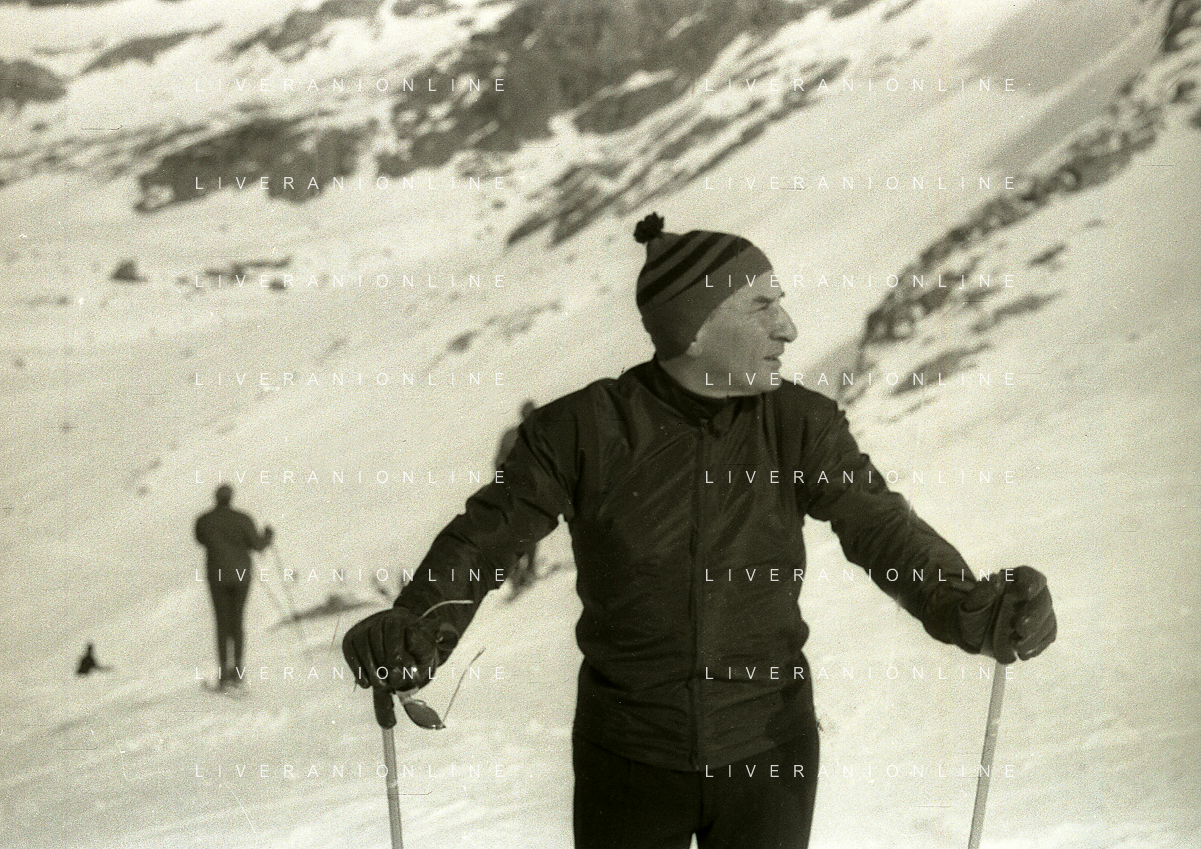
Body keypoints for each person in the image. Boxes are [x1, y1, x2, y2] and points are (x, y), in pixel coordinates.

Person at [342, 213, 1057, 849]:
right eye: (762, 305)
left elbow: (883, 530)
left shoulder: (798, 424)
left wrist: (966, 604)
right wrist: (416, 626)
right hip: (628, 758)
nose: (788, 328)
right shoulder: (582, 430)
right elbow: (484, 540)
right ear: (694, 325)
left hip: (768, 751)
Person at [194, 484, 273, 688]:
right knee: (237, 622)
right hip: (241, 577)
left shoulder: (204, 520)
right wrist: (268, 535)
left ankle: (223, 674)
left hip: (217, 577)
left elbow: (200, 539)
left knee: (221, 623)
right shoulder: (243, 519)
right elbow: (257, 545)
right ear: (231, 498)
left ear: (216, 498)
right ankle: (238, 673)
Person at [494, 399, 540, 596]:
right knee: (520, 533)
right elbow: (499, 463)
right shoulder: (514, 436)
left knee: (529, 531)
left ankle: (526, 571)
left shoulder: (537, 435)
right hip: (514, 491)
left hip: (527, 492)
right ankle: (520, 574)